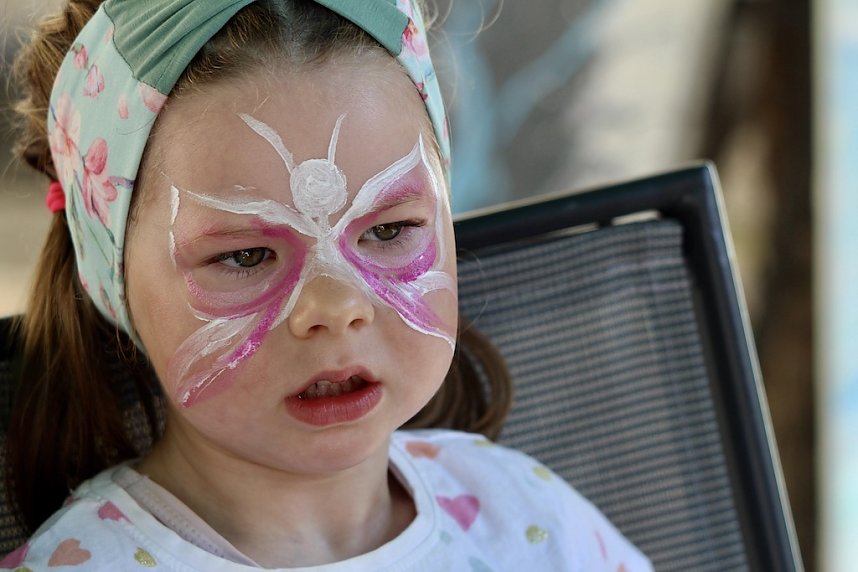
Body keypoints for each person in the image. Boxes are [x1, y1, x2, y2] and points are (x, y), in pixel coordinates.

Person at [2, 0, 653, 569]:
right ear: (107, 272)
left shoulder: (525, 516)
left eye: (390, 231)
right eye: (248, 255)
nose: (336, 307)